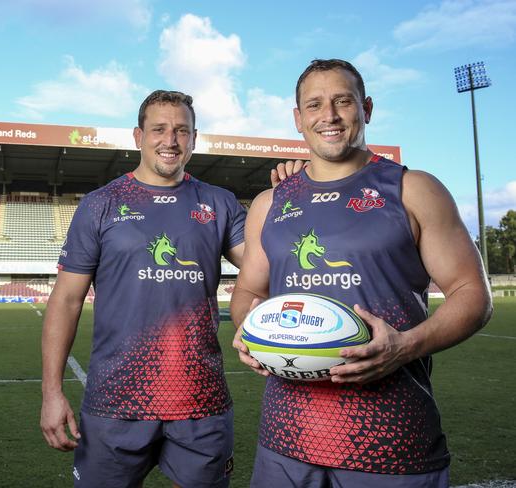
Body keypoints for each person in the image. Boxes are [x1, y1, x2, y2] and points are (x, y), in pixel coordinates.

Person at [231, 59, 492, 488]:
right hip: (285, 445)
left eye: (343, 101)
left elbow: (472, 294)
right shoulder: (269, 203)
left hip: (392, 445)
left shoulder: (414, 188)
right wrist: (249, 331)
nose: (328, 116)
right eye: (314, 105)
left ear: (365, 108)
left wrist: (405, 346)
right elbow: (247, 292)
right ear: (298, 119)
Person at [41, 89, 300, 488]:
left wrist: (297, 201)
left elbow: (268, 265)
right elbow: (66, 300)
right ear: (137, 136)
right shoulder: (101, 204)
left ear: (194, 138)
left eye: (182, 130)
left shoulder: (219, 203)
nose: (171, 140)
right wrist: (52, 392)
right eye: (159, 129)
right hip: (116, 401)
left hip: (202, 401)